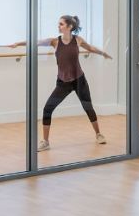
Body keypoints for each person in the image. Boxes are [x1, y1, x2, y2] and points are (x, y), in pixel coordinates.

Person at [9, 14, 112, 150]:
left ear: (69, 27)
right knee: (48, 109)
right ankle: (45, 142)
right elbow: (36, 41)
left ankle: (98, 134)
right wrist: (18, 44)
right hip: (63, 83)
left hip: (79, 80)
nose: (58, 26)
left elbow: (91, 48)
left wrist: (103, 53)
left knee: (88, 107)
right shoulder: (55, 42)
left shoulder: (78, 40)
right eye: (59, 24)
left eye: (61, 24)